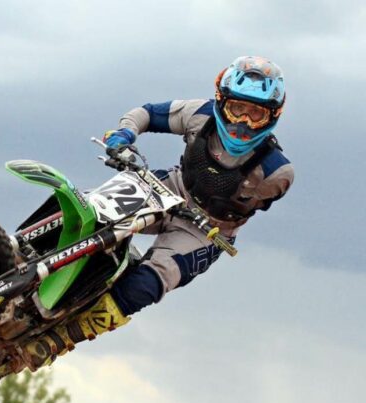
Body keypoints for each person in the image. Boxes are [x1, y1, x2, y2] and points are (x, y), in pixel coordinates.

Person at [23, 56, 294, 368]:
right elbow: (148, 113)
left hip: (208, 229)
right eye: (237, 109)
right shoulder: (199, 113)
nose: (242, 123)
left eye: (256, 114)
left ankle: (61, 338)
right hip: (171, 187)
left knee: (149, 283)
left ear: (272, 117)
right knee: (88, 206)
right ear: (221, 102)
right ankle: (13, 248)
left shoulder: (277, 173)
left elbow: (251, 207)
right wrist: (125, 134)